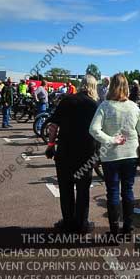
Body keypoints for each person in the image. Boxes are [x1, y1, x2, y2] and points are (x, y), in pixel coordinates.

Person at [89, 73, 140, 236]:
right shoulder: (134, 107)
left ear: (112, 86)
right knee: (128, 189)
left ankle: (114, 232)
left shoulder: (105, 106)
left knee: (112, 191)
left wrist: (110, 140)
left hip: (111, 156)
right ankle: (128, 228)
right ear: (127, 87)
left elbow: (93, 129)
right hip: (130, 154)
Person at [46, 74, 99, 233]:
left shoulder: (66, 100)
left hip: (65, 152)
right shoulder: (94, 105)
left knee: (66, 188)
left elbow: (53, 126)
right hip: (86, 154)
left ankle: (68, 222)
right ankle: (82, 224)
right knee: (83, 190)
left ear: (81, 85)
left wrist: (50, 145)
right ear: (93, 87)